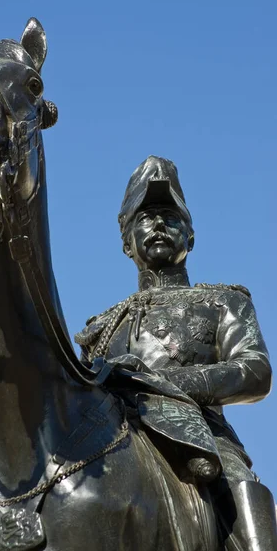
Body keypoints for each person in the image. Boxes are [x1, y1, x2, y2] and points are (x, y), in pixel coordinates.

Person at [75, 156, 277, 550]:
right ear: (125, 240)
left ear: (191, 234)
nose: (158, 225)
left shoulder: (224, 301)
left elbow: (256, 371)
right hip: (114, 440)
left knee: (239, 486)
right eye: (145, 218)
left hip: (200, 438)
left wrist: (161, 381)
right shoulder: (100, 328)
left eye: (170, 216)